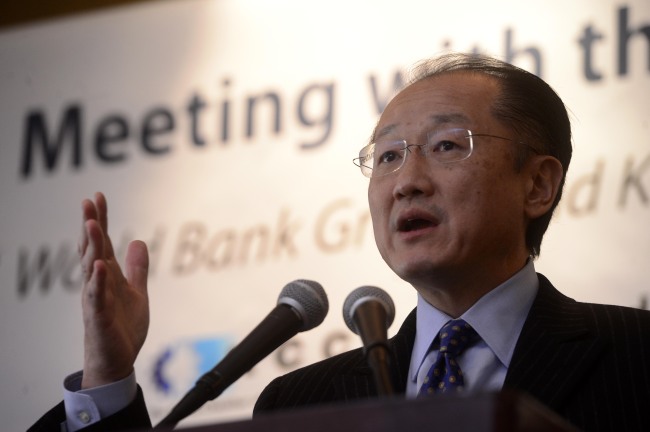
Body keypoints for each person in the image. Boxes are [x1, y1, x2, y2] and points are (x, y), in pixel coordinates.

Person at [29, 53, 650, 432]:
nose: (406, 182)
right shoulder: (301, 404)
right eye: (386, 157)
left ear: (538, 184)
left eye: (445, 146)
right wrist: (108, 379)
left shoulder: (637, 358)